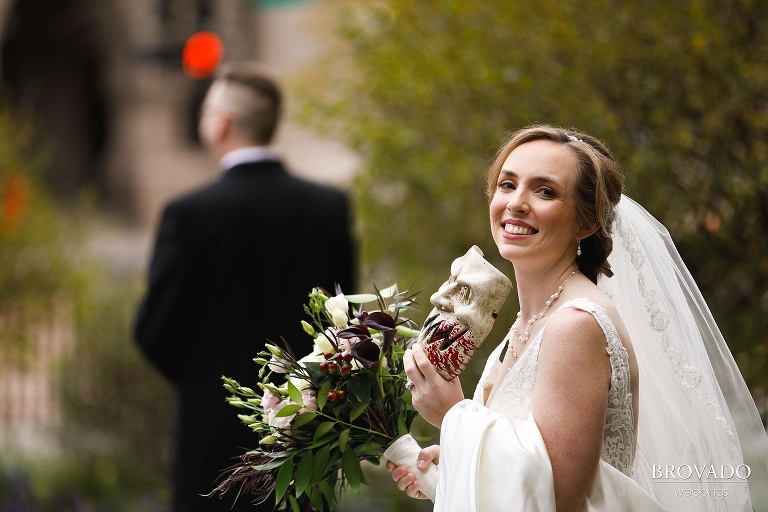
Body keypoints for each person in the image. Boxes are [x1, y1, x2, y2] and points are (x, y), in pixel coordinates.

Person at [388, 125, 768, 511]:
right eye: (507, 184)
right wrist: (453, 469)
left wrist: (453, 415)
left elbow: (559, 498)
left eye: (545, 191)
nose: (517, 202)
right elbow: (528, 477)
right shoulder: (525, 325)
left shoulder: (577, 325)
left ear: (586, 223)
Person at [133, 62, 356, 512]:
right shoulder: (329, 207)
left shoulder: (189, 214)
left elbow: (155, 332)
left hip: (212, 438)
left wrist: (208, 381)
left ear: (220, 123)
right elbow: (343, 324)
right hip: (304, 437)